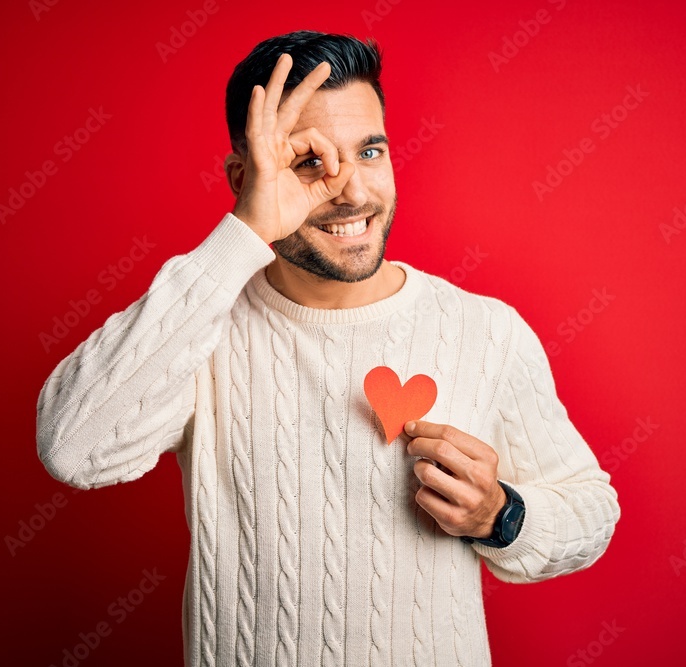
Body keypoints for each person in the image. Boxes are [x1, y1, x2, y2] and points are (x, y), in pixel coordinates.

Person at [36, 30, 620, 667]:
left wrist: (500, 515)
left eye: (369, 150)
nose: (352, 191)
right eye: (307, 162)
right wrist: (246, 232)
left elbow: (590, 511)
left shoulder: (486, 329)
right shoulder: (201, 325)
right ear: (243, 177)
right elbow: (73, 449)